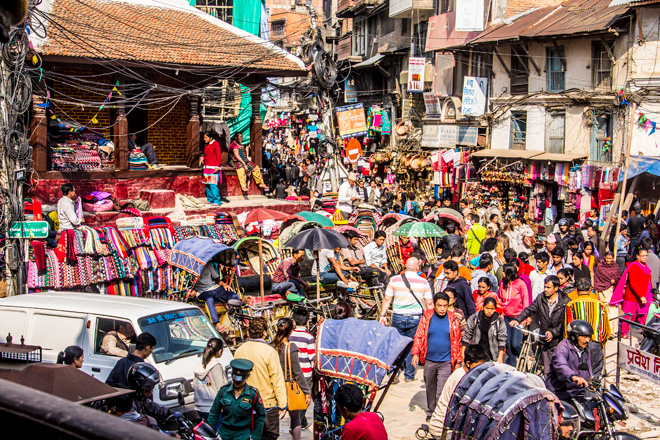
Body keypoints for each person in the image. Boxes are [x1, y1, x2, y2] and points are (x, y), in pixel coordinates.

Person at [410, 291, 463, 421]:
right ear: (434, 305)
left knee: (441, 390)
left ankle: (439, 414)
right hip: (429, 360)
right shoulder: (427, 317)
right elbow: (419, 336)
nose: (442, 308)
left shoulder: (453, 319)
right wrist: (415, 353)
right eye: (439, 305)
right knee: (430, 387)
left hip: (446, 361)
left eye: (445, 305)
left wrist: (458, 361)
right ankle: (430, 412)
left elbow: (457, 341)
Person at [379, 257, 433, 383]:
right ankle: (409, 375)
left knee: (395, 345)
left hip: (398, 316)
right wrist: (430, 320)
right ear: (417, 267)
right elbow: (429, 303)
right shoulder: (423, 282)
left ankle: (393, 374)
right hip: (416, 317)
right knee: (413, 345)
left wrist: (382, 315)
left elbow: (387, 299)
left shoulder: (395, 280)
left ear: (405, 266)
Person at [234, 317, 287, 440]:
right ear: (265, 333)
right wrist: (283, 404)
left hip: (244, 403)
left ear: (248, 333)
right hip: (267, 404)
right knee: (269, 436)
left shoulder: (239, 350)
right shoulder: (269, 352)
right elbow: (277, 380)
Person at [510, 275, 570, 376]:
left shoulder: (565, 301)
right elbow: (529, 310)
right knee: (547, 370)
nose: (545, 290)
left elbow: (565, 323)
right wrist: (517, 319)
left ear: (556, 288)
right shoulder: (540, 298)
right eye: (545, 287)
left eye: (548, 287)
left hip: (559, 341)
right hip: (544, 339)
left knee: (559, 369)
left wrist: (553, 332)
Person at [427, 345, 490, 438]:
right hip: (442, 429)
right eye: (478, 367)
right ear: (468, 363)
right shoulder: (461, 379)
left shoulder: (466, 374)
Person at [271, 318, 312, 440]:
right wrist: (307, 391)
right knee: (295, 419)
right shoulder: (291, 348)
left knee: (273, 419)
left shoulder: (271, 346)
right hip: (288, 387)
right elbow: (297, 372)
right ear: (290, 332)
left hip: (273, 386)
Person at [208, 359, 267, 440]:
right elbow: (214, 414)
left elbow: (261, 416)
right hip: (224, 434)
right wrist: (208, 433)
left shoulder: (253, 394)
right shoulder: (224, 391)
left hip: (243, 436)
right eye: (234, 378)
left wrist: (255, 436)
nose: (236, 382)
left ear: (247, 376)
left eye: (240, 380)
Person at [546, 320, 600, 400]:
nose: (587, 340)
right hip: (560, 393)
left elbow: (588, 369)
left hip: (578, 392)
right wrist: (573, 377)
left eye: (589, 337)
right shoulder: (562, 348)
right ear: (574, 336)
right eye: (584, 337)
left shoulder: (586, 349)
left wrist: (591, 382)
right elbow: (561, 365)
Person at [188, 254, 241, 333]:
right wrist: (191, 291)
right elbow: (187, 285)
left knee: (234, 295)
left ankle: (240, 319)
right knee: (209, 300)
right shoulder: (190, 268)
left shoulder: (208, 265)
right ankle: (217, 324)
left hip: (215, 288)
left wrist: (224, 285)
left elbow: (216, 279)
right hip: (202, 292)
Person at [611, 247, 653, 337]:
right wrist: (640, 295)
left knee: (643, 315)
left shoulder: (645, 266)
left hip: (643, 295)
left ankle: (646, 331)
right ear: (637, 256)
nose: (645, 257)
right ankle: (623, 333)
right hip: (633, 296)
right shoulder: (634, 266)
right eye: (643, 255)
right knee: (629, 316)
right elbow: (633, 283)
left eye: (646, 255)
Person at [498, 263, 530, 366]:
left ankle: (523, 357)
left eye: (504, 271)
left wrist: (525, 318)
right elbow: (500, 299)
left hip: (518, 317)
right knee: (508, 343)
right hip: (506, 317)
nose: (502, 273)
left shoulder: (521, 284)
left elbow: (526, 301)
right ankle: (513, 365)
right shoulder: (503, 283)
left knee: (515, 344)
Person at [289, 309, 315, 430]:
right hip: (305, 373)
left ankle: (301, 421)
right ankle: (297, 422)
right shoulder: (309, 337)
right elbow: (311, 356)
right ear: (307, 322)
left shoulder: (289, 335)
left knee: (294, 397)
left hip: (292, 373)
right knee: (305, 398)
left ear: (294, 322)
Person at [565, 278, 611, 343]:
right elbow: (606, 329)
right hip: (595, 342)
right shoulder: (600, 305)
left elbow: (568, 327)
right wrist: (603, 343)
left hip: (577, 342)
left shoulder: (571, 305)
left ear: (576, 289)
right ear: (590, 289)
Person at [462, 297, 506, 362]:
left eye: (492, 309)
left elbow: (502, 340)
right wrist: (463, 352)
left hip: (492, 354)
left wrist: (500, 357)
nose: (489, 311)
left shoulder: (499, 321)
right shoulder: (475, 318)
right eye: (487, 308)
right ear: (483, 307)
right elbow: (467, 335)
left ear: (495, 309)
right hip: (476, 353)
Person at [193, 338, 228, 420]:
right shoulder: (216, 366)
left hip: (199, 405)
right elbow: (221, 387)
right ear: (220, 351)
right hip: (213, 406)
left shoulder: (199, 365)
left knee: (206, 431)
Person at [201, 131, 223, 205]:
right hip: (207, 168)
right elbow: (207, 155)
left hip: (213, 168)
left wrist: (217, 166)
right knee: (207, 184)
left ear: (211, 138)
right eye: (204, 138)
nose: (204, 139)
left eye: (206, 138)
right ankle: (210, 199)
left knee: (213, 185)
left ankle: (217, 201)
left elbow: (218, 156)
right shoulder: (206, 145)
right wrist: (203, 158)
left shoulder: (216, 144)